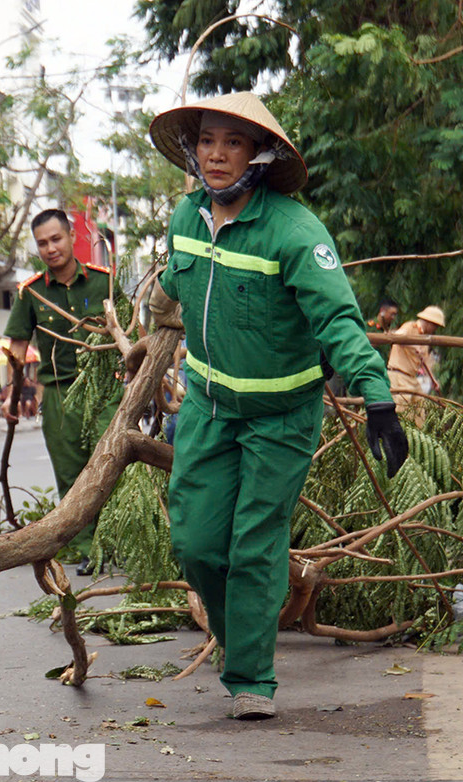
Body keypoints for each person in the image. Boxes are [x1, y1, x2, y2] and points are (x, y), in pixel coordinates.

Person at [146, 92, 408, 720]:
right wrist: (152, 316)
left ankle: (251, 680)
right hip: (208, 405)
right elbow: (177, 285)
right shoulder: (187, 217)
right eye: (207, 140)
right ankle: (240, 640)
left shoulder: (295, 231)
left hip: (281, 418)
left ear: (258, 153)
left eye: (232, 143)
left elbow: (339, 322)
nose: (215, 154)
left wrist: (378, 399)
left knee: (254, 544)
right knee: (197, 541)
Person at [3, 208, 125, 574]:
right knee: (71, 474)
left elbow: (127, 334)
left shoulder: (104, 282)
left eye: (56, 239)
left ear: (72, 236)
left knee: (110, 466)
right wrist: (15, 395)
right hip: (58, 394)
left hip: (104, 390)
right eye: (43, 243)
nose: (51, 248)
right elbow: (18, 346)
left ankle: (116, 540)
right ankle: (89, 548)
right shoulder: (32, 293)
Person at [388, 305, 446, 412]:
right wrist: (413, 345)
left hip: (412, 378)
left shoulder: (425, 339)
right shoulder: (410, 327)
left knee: (420, 408)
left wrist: (433, 380)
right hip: (399, 375)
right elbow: (396, 337)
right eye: (435, 326)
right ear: (429, 323)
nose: (435, 329)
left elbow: (424, 362)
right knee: (401, 410)